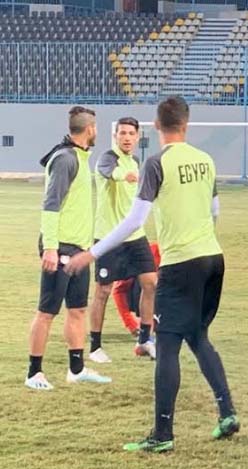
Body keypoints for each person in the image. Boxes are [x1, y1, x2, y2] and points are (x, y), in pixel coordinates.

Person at [67, 96, 239, 452]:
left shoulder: (156, 163)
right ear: (186, 124)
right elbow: (215, 209)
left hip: (181, 263)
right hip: (213, 258)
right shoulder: (206, 160)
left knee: (168, 346)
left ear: (157, 126)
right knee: (199, 337)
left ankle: (162, 434)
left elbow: (134, 220)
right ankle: (227, 412)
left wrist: (93, 252)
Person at [25, 106, 111, 390]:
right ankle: (34, 373)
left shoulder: (80, 157)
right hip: (60, 247)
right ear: (90, 129)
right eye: (96, 127)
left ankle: (76, 369)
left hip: (79, 250)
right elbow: (51, 204)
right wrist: (50, 247)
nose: (97, 131)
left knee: (77, 310)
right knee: (47, 311)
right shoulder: (65, 159)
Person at [88, 117, 158, 363]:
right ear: (115, 136)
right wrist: (123, 175)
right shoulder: (107, 158)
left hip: (134, 235)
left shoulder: (136, 161)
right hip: (109, 237)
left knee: (150, 282)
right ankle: (95, 347)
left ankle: (144, 340)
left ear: (137, 137)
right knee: (103, 290)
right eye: (122, 133)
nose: (126, 137)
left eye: (131, 133)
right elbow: (110, 172)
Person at [112, 242, 161, 337]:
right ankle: (146, 323)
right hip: (140, 291)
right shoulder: (146, 255)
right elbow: (119, 290)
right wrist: (130, 324)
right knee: (147, 282)